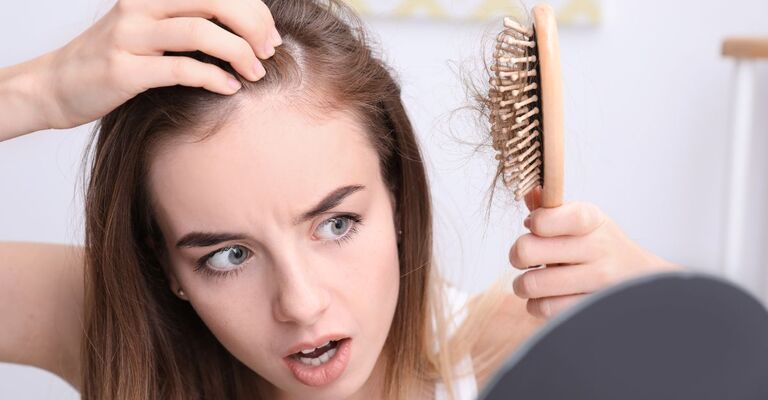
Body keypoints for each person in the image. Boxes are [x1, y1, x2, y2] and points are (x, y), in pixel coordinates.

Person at [0, 0, 679, 399]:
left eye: (335, 222)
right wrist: (36, 92)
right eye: (228, 254)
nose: (300, 303)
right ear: (168, 271)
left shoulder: (510, 353)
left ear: (396, 198)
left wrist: (679, 312)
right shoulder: (124, 328)